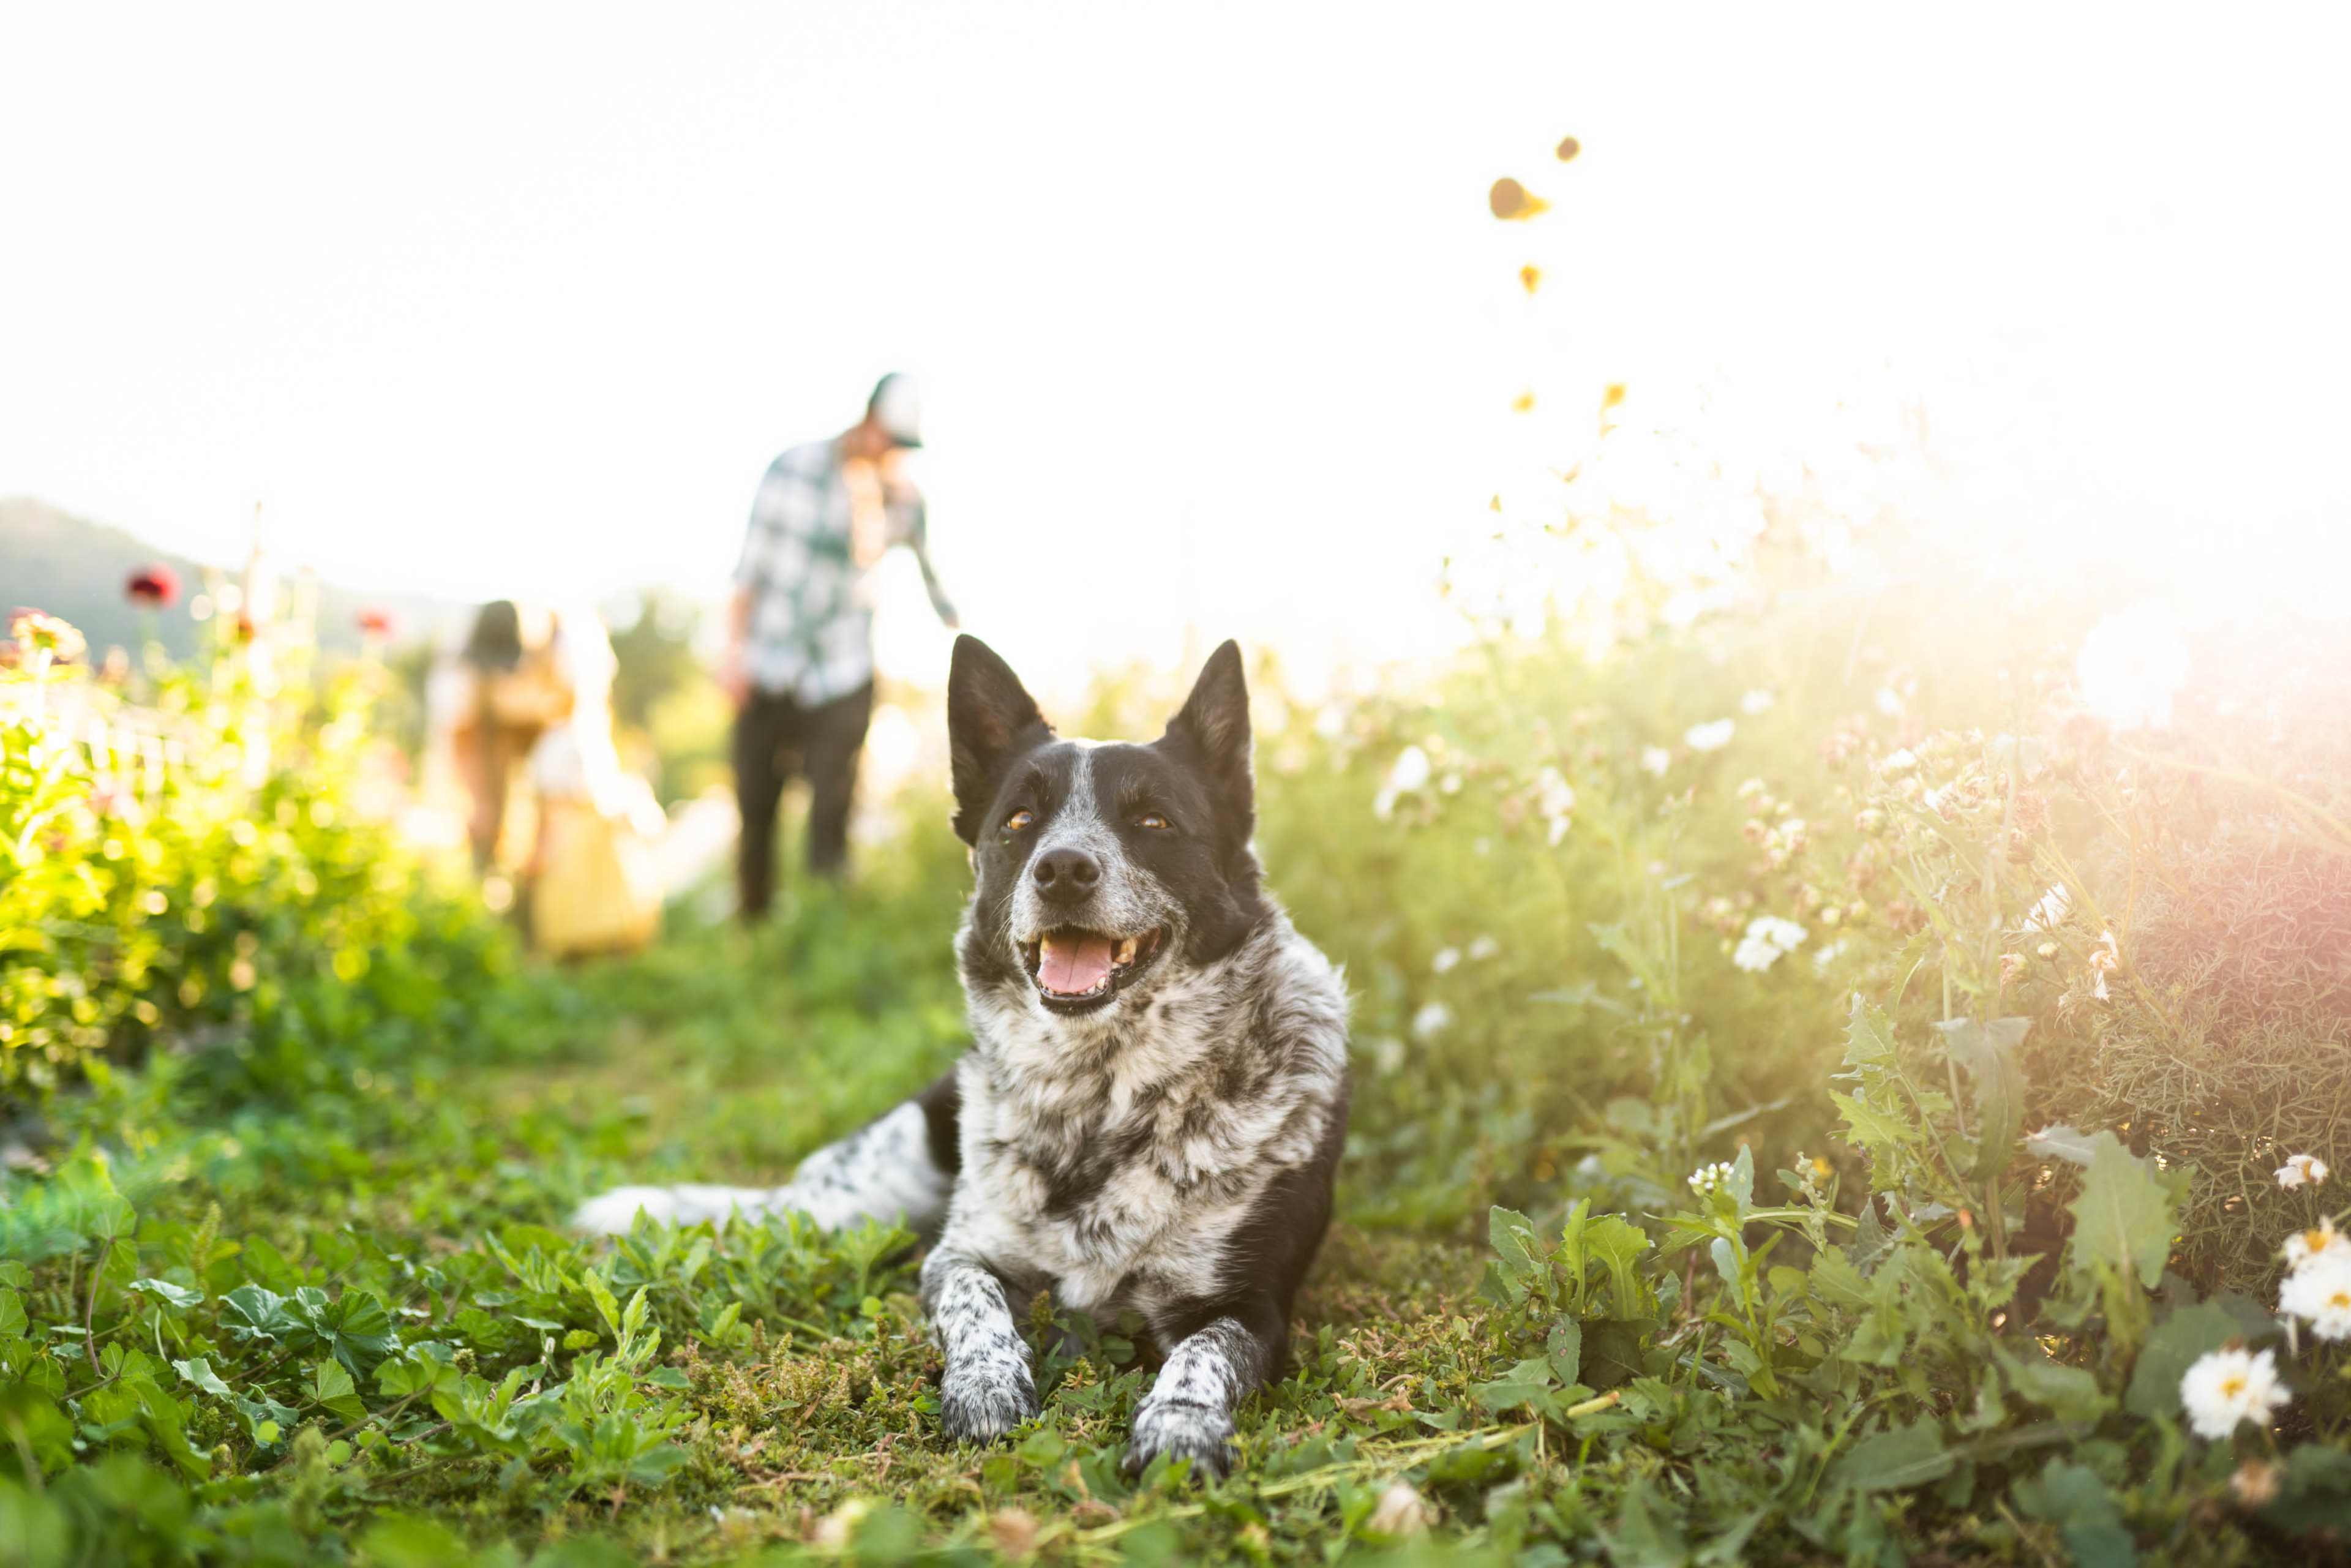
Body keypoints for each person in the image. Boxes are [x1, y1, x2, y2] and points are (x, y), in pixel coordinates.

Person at [725, 372, 958, 918]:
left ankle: (826, 923)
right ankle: (752, 923)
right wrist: (732, 655)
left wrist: (962, 634)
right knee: (757, 804)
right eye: (888, 436)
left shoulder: (900, 499)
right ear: (868, 419)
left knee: (834, 802)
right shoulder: (793, 469)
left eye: (903, 445)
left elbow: (932, 578)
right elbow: (748, 571)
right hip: (768, 662)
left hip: (843, 668)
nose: (891, 450)